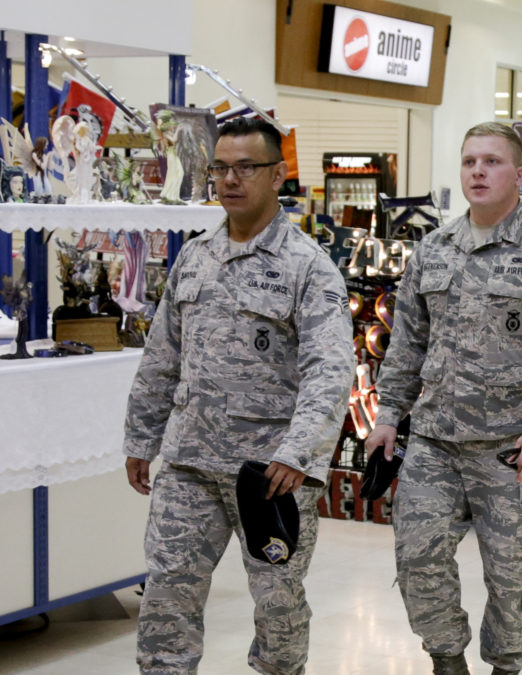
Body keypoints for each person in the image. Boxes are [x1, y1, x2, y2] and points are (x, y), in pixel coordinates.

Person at [364, 121, 522, 675]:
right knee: (417, 556)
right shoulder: (432, 252)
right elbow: (406, 346)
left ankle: (507, 665)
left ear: (519, 172)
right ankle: (446, 658)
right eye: (470, 161)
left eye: (492, 161)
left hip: (510, 450)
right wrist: (387, 415)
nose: (478, 171)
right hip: (435, 443)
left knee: (511, 574)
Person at [122, 116, 354, 674]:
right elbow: (162, 356)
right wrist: (141, 437)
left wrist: (297, 453)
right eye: (220, 168)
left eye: (246, 167)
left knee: (277, 605)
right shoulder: (194, 256)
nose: (231, 179)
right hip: (189, 461)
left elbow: (330, 368)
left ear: (278, 175)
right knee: (166, 596)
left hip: (270, 471)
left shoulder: (308, 268)